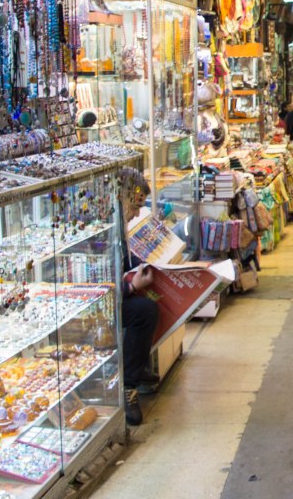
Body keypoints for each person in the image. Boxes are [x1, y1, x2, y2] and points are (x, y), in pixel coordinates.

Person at [117, 167, 161, 426]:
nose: (136, 215)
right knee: (144, 311)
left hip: (116, 294)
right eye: (134, 208)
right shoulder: (107, 228)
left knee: (150, 307)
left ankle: (136, 367)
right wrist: (131, 287)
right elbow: (97, 285)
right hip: (96, 303)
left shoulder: (119, 227)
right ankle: (128, 386)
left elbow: (122, 261)